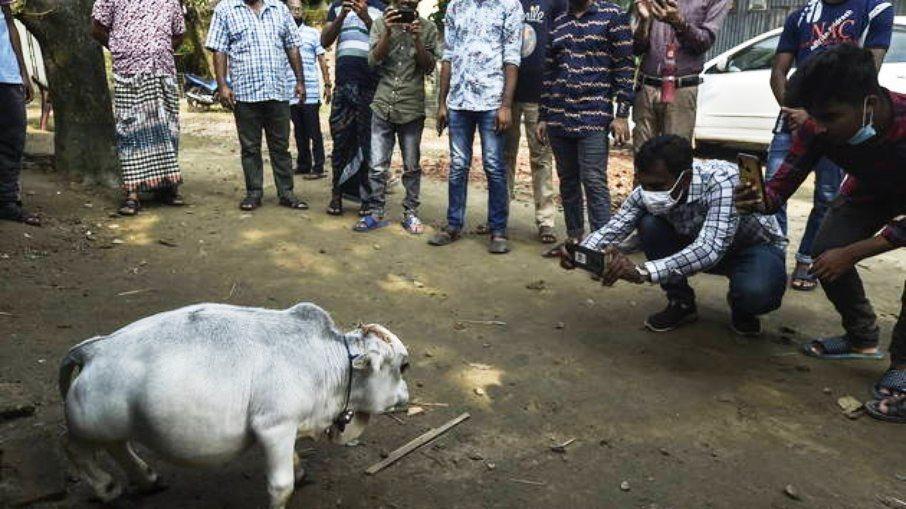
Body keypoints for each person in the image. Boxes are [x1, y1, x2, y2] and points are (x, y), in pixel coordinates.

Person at [735, 45, 906, 423]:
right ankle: (862, 337)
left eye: (830, 117)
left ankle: (904, 367)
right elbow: (782, 185)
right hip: (870, 190)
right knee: (825, 249)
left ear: (870, 103)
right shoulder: (818, 124)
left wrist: (857, 251)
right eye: (815, 116)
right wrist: (758, 200)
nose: (820, 126)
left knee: (842, 254)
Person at [567, 135, 787, 336]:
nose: (649, 193)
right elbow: (614, 228)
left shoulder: (725, 181)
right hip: (699, 245)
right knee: (650, 225)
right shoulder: (648, 189)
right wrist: (581, 252)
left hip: (752, 249)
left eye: (657, 186)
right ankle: (680, 302)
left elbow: (709, 249)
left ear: (685, 178)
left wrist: (642, 272)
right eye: (644, 185)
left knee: (756, 293)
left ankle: (743, 307)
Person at [766, 0, 893, 291]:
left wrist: (815, 117)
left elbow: (868, 74)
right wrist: (796, 112)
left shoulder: (874, 9)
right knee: (774, 187)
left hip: (837, 122)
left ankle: (806, 261)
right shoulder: (801, 15)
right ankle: (772, 257)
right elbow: (778, 72)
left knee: (827, 195)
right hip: (795, 117)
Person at [535, 0, 633, 248]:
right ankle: (576, 238)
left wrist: (621, 114)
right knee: (567, 180)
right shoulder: (558, 22)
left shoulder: (612, 15)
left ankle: (602, 247)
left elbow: (624, 67)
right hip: (558, 116)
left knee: (593, 180)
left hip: (594, 116)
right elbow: (549, 72)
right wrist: (543, 116)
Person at [429, 0, 523, 254]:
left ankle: (498, 230)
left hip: (492, 101)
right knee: (458, 166)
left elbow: (512, 59)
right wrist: (442, 103)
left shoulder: (510, 6)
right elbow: (448, 56)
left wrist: (506, 105)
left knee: (494, 166)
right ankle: (453, 224)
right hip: (459, 102)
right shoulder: (456, 6)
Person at [206, 0, 309, 212]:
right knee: (250, 147)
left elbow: (292, 46)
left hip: (277, 90)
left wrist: (300, 81)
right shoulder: (225, 9)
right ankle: (254, 192)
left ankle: (286, 192)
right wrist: (222, 85)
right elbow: (219, 50)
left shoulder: (279, 8)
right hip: (245, 93)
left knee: (280, 146)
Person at [91, 0, 186, 216]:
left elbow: (179, 33)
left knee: (167, 128)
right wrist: (120, 47)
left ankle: (167, 187)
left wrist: (160, 50)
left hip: (163, 72)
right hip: (128, 73)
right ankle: (132, 194)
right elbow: (96, 28)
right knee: (130, 131)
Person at [354, 0, 438, 234]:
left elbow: (429, 66)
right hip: (383, 104)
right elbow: (372, 61)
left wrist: (417, 40)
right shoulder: (381, 24)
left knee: (411, 166)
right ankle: (375, 212)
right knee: (378, 166)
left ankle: (410, 214)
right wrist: (388, 33)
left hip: (411, 107)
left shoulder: (428, 28)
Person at [497, 0, 566, 246]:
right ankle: (499, 216)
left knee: (541, 158)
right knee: (504, 156)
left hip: (540, 94)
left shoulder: (556, 2)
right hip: (508, 93)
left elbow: (561, 42)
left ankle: (546, 221)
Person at [630, 0, 730, 153]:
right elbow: (636, 48)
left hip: (681, 89)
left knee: (675, 159)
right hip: (646, 87)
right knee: (642, 158)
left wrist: (679, 22)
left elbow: (704, 42)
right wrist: (643, 21)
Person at [321, 0, 386, 216]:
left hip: (370, 85)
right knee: (340, 141)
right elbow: (325, 40)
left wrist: (367, 17)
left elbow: (384, 45)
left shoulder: (382, 8)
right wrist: (341, 16)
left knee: (367, 144)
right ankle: (337, 195)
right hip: (343, 84)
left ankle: (366, 199)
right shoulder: (337, 6)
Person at [0, 0, 38, 226]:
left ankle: (6, 203)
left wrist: (23, 71)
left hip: (7, 74)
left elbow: (9, 23)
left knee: (12, 141)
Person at [287, 0, 331, 180]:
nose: (297, 12)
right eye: (293, 9)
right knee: (298, 130)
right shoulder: (283, 33)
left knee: (313, 130)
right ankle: (303, 164)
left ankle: (318, 166)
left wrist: (328, 84)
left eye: (299, 9)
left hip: (311, 91)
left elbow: (322, 59)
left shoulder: (313, 33)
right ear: (287, 11)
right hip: (290, 91)